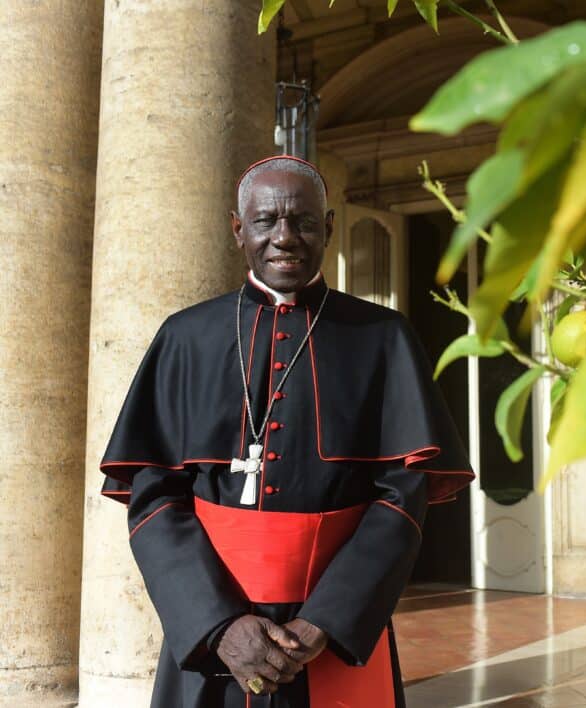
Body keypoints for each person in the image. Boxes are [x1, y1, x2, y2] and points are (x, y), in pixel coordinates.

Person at [99, 155, 474, 708]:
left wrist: (327, 619)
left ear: (328, 228)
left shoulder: (382, 337)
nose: (284, 237)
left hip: (332, 631)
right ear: (237, 230)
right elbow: (153, 496)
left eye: (301, 221)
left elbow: (402, 496)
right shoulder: (185, 337)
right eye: (265, 221)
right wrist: (219, 625)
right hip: (213, 634)